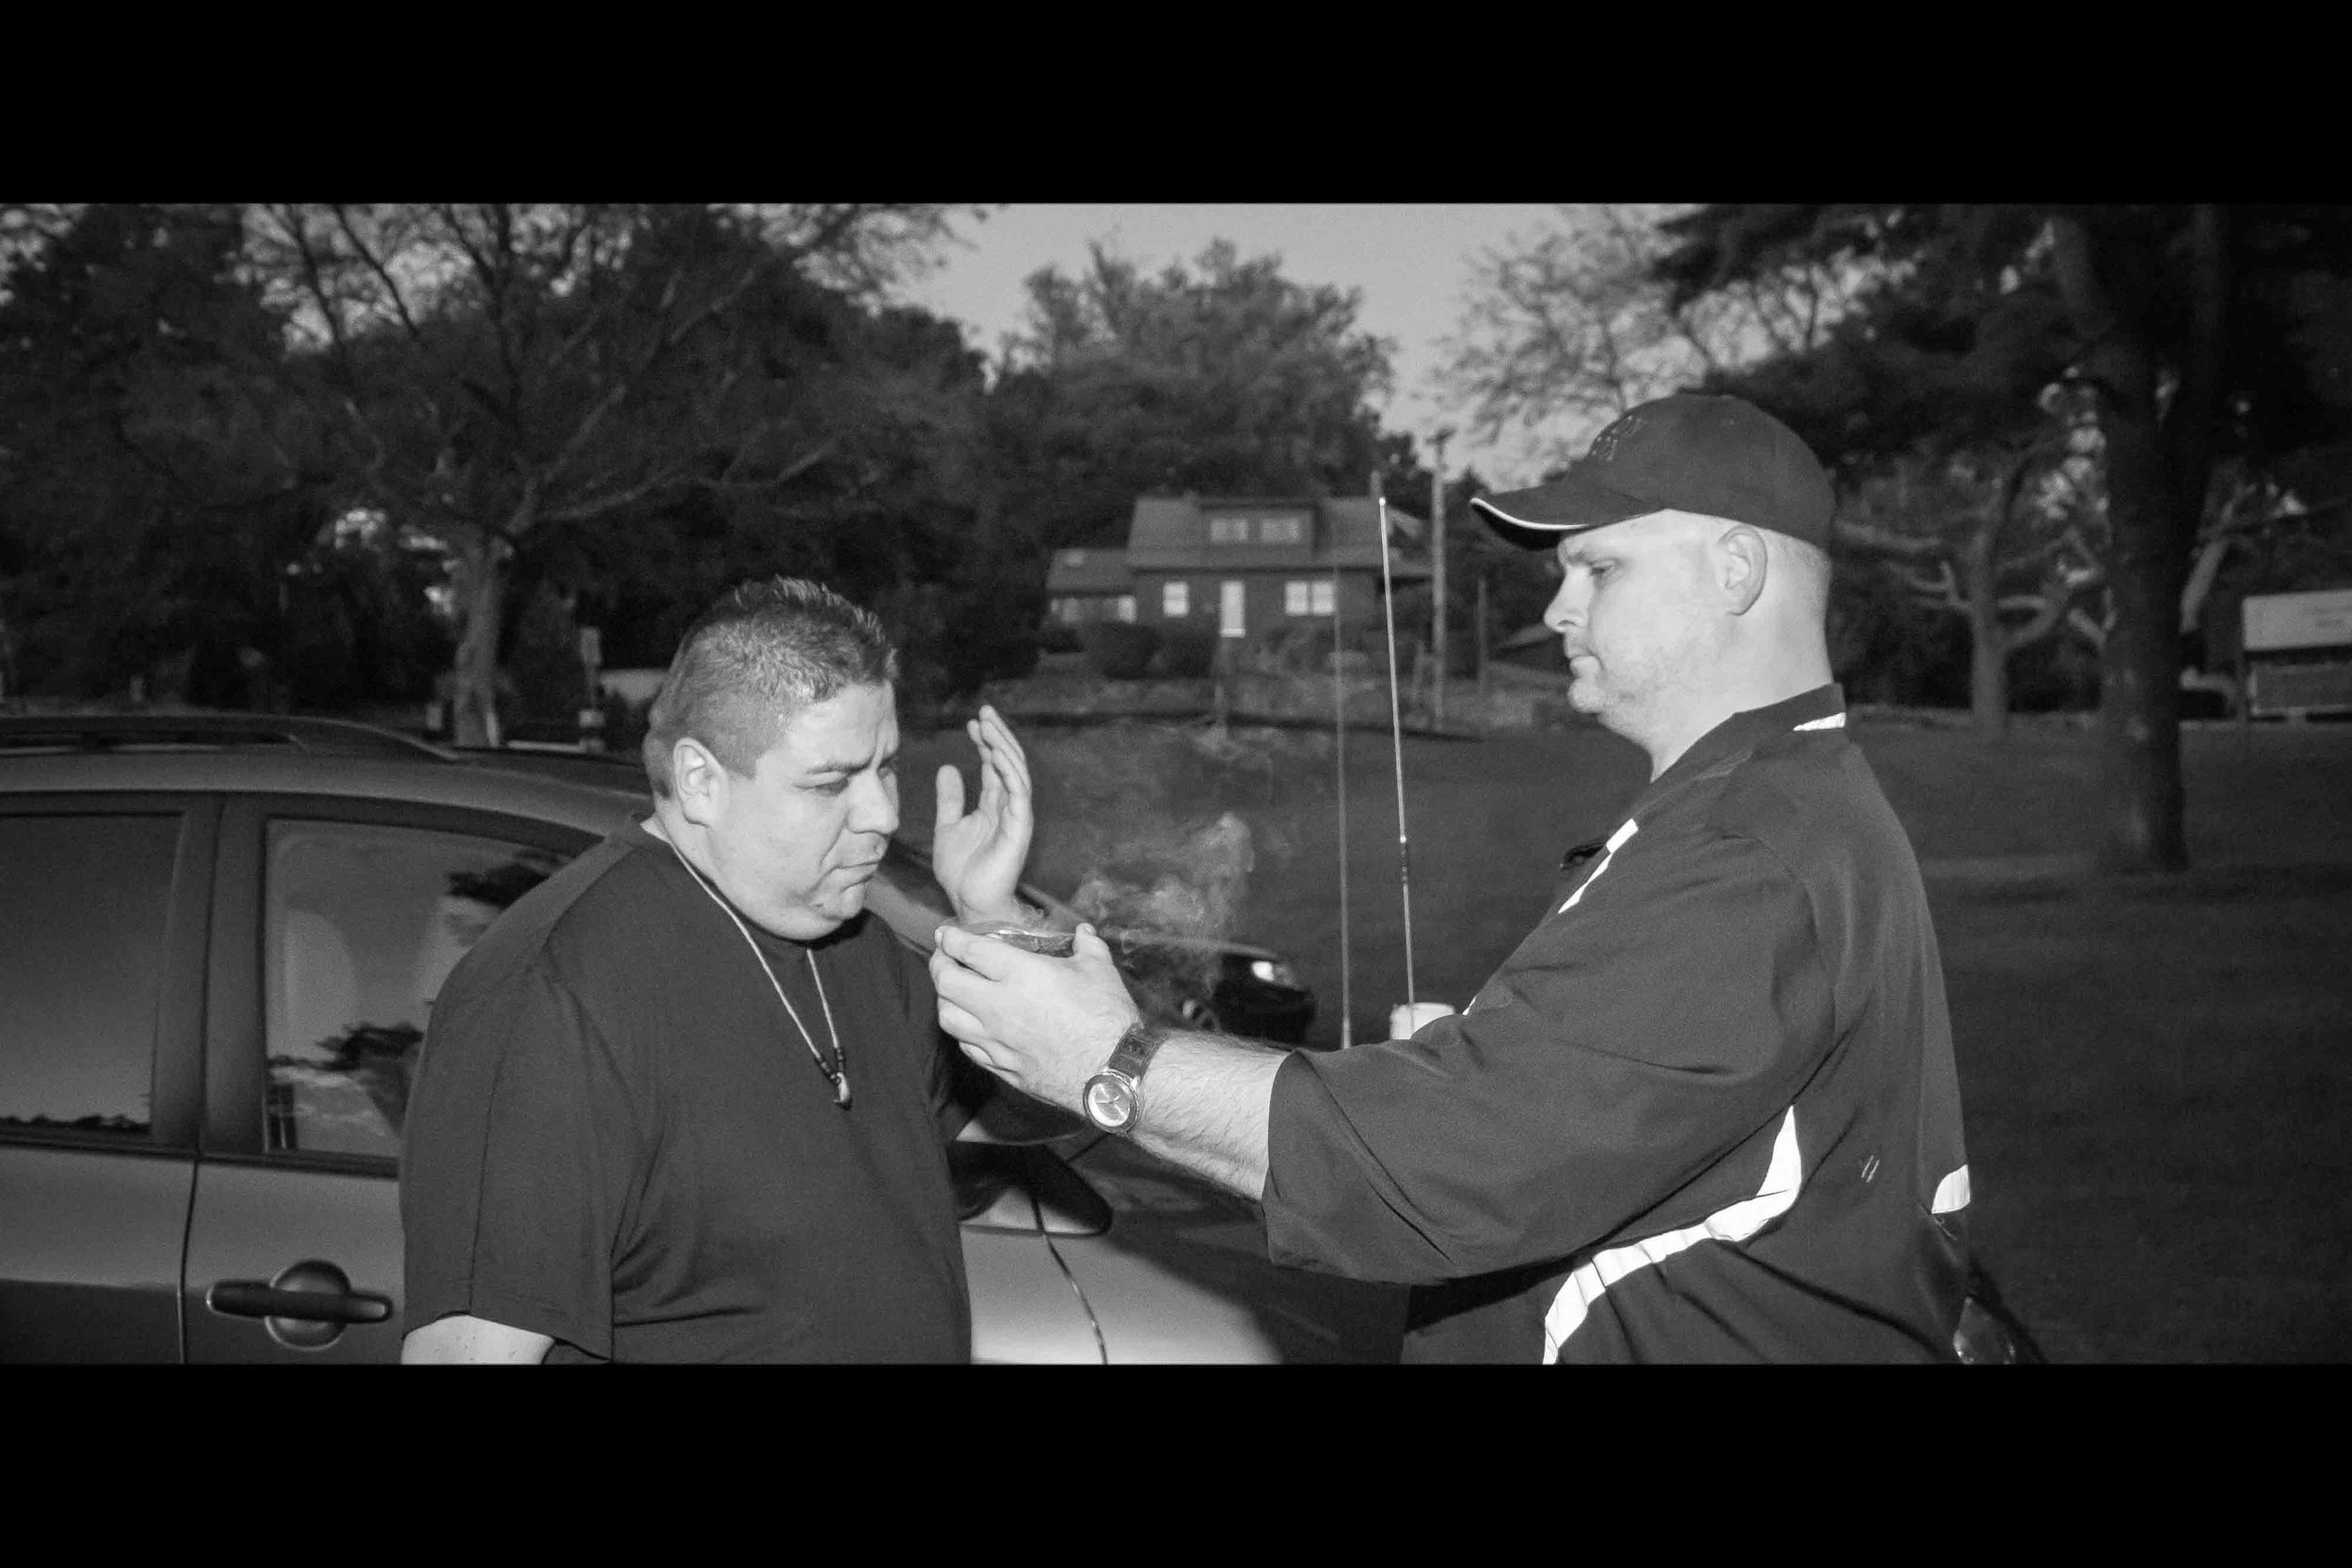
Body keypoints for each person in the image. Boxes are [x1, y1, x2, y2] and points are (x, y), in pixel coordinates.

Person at [932, 394, 1975, 1363]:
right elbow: (1581, 1112)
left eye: (1598, 569)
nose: (1559, 609)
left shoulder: (1749, 850)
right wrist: (1479, 1065)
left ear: (1736, 569)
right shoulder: (1767, 803)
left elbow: (1440, 1164)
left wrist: (1108, 1061)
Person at [400, 577, 1060, 1363]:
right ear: (701, 780)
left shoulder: (860, 948)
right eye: (830, 782)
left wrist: (993, 921)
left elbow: (1029, 1112)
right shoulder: (551, 996)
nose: (883, 815)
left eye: (884, 768)